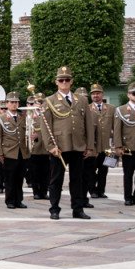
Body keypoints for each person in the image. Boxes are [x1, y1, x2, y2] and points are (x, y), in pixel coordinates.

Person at [39, 66, 94, 220]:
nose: (64, 82)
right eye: (61, 80)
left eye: (67, 80)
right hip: (60, 146)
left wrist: (89, 146)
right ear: (56, 82)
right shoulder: (49, 101)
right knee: (56, 179)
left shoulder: (81, 100)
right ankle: (54, 209)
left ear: (71, 81)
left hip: (78, 145)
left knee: (77, 179)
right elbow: (45, 126)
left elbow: (88, 124)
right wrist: (51, 146)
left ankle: (78, 209)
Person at [0, 91, 29, 210]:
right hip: (9, 152)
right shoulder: (1, 118)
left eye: (16, 102)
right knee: (10, 178)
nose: (14, 104)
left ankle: (19, 200)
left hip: (22, 152)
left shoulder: (22, 117)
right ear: (7, 104)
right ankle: (10, 200)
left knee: (19, 178)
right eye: (12, 102)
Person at [87, 83, 115, 197]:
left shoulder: (111, 109)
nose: (95, 96)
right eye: (93, 94)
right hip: (93, 146)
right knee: (91, 169)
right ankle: (92, 190)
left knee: (104, 170)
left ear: (102, 94)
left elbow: (115, 127)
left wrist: (115, 143)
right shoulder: (87, 108)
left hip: (107, 147)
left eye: (97, 93)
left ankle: (101, 190)